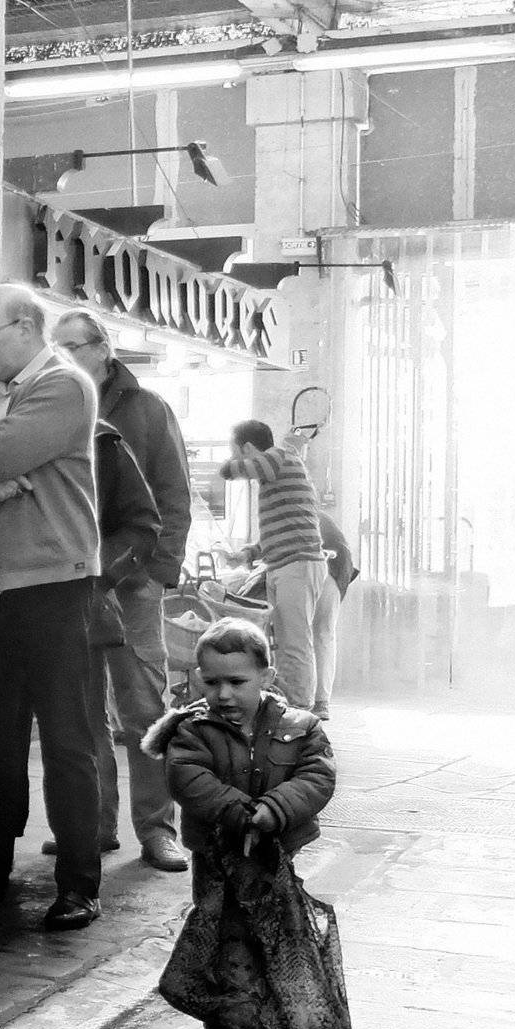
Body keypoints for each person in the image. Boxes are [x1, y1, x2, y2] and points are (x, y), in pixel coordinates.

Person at [0, 285, 104, 932]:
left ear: (23, 327)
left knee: (67, 739)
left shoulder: (62, 385)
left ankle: (78, 883)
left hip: (51, 584)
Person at [142, 616, 335, 1029]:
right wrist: (241, 814)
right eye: (212, 682)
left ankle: (258, 1013)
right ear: (197, 679)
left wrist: (274, 811)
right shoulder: (192, 730)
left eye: (237, 681)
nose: (223, 694)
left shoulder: (301, 727)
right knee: (219, 936)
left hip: (274, 858)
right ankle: (222, 1025)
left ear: (266, 676)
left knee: (268, 936)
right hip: (215, 858)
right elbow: (187, 778)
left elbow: (317, 776)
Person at [51, 312, 192, 871]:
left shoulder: (147, 409)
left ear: (104, 349)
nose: (61, 357)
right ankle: (94, 825)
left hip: (132, 580)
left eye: (72, 347)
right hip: (68, 580)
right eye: (53, 348)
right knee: (82, 712)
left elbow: (173, 493)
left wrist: (159, 572)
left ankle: (157, 829)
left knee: (143, 709)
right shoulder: (50, 403)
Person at [218, 419, 328, 712]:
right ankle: (293, 706)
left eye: (235, 451)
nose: (235, 458)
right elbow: (280, 531)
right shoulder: (277, 472)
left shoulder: (279, 457)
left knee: (294, 644)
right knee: (287, 643)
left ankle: (300, 711)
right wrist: (248, 553)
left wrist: (226, 469)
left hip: (297, 564)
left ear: (249, 448)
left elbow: (254, 467)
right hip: (288, 564)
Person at [312, 507, 359, 719]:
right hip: (332, 574)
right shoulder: (318, 515)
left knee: (311, 635)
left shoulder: (295, 513)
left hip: (326, 572)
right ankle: (319, 701)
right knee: (323, 635)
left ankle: (314, 700)